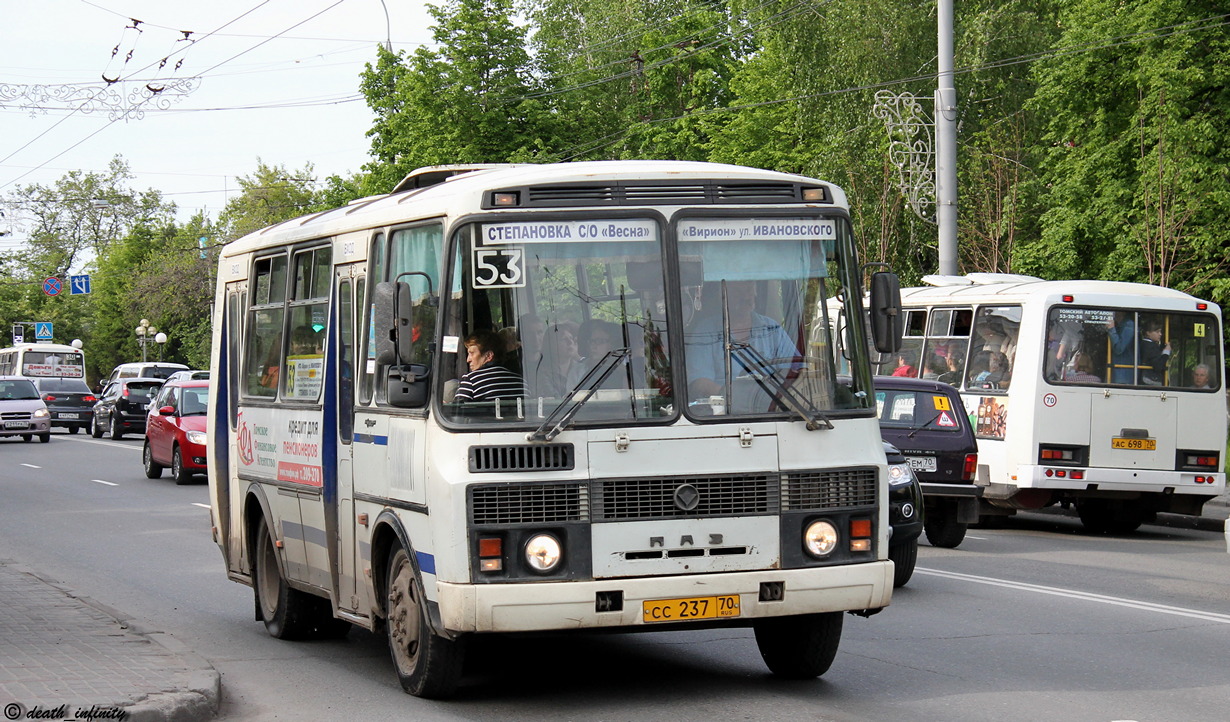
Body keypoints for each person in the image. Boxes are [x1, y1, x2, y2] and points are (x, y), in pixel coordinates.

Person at [684, 280, 800, 398]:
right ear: (723, 296)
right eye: (738, 292)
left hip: (772, 406)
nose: (746, 297)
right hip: (725, 410)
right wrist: (737, 397)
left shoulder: (772, 329)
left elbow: (797, 372)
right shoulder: (706, 331)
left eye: (749, 290)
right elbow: (699, 383)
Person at [452, 330, 525, 402]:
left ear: (489, 355)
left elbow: (457, 412)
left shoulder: (470, 381)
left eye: (472, 353)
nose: (468, 360)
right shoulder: (521, 382)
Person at [1137, 320, 1171, 385]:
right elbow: (1158, 366)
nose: (1160, 334)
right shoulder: (1150, 346)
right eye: (1157, 332)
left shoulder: (1143, 344)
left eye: (1160, 331)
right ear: (1148, 333)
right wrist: (1166, 352)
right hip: (1150, 381)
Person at [1106, 312, 1135, 383]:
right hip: (1118, 371)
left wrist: (1111, 329)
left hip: (1124, 374)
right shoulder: (1119, 326)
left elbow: (1119, 348)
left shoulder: (1129, 325)